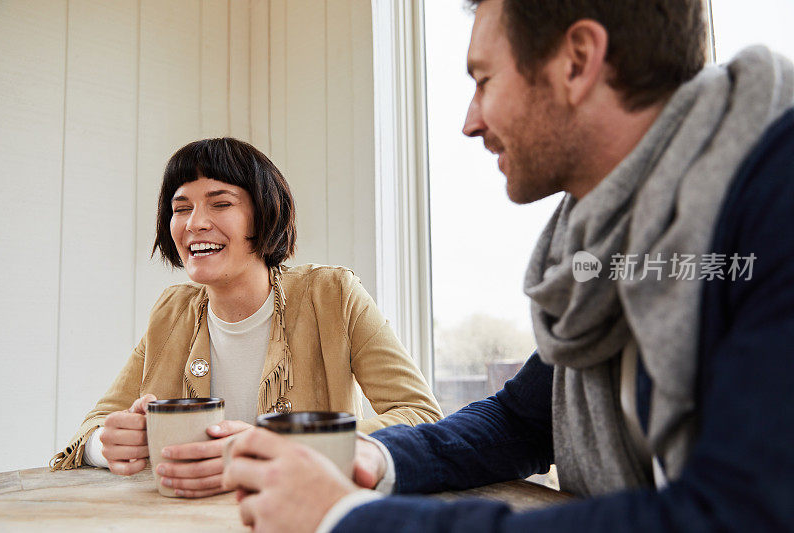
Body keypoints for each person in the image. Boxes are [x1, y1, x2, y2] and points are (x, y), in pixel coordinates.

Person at [220, 0, 794, 530]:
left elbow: (739, 515)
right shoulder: (605, 243)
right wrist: (372, 458)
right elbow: (521, 421)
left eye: (484, 81)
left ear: (577, 61)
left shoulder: (776, 198)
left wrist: (345, 519)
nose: (471, 121)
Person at [49, 137, 442, 498]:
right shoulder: (171, 312)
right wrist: (108, 444)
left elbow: (421, 415)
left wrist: (275, 444)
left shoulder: (334, 294)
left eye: (220, 203)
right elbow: (95, 425)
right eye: (181, 208)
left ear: (264, 213)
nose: (194, 223)